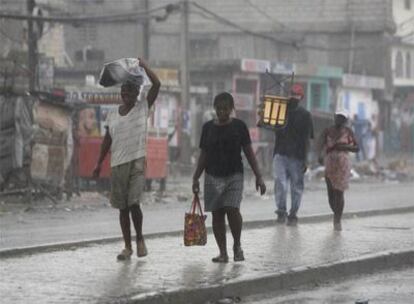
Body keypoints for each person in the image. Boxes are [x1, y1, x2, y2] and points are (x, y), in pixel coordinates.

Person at [93, 58, 160, 260]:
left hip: (137, 161)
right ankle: (127, 246)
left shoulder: (143, 108)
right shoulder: (112, 115)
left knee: (134, 204)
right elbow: (107, 141)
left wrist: (144, 65)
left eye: (130, 91)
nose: (126, 94)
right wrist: (98, 164)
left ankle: (140, 239)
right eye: (124, 91)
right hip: (117, 165)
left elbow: (157, 84)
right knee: (122, 208)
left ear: (136, 93)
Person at [192, 92, 266, 263]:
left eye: (226, 109)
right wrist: (196, 177)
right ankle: (223, 252)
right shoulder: (208, 128)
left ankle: (237, 245)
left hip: (234, 175)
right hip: (212, 176)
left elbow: (249, 153)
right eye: (219, 109)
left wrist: (259, 176)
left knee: (232, 209)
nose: (222, 112)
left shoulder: (239, 127)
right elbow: (203, 154)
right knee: (217, 214)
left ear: (232, 109)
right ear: (214, 109)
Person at [272, 84, 313, 226]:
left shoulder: (306, 115)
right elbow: (269, 125)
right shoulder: (280, 111)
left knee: (296, 187)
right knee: (280, 183)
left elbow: (307, 139)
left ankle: (293, 214)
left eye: (296, 96)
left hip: (297, 157)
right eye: (292, 95)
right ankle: (281, 212)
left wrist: (306, 160)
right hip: (280, 153)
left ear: (300, 98)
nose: (293, 98)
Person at [317, 110, 359, 231]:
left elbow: (357, 147)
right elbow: (320, 144)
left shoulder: (348, 132)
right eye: (338, 117)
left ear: (345, 120)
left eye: (342, 118)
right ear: (334, 117)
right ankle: (337, 213)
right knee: (330, 193)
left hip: (343, 166)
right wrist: (320, 155)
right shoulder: (327, 131)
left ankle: (337, 220)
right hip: (330, 164)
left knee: (339, 193)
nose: (339, 120)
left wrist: (344, 147)